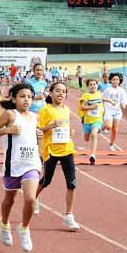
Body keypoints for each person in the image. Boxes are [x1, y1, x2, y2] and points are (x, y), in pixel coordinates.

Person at [0, 83, 42, 252]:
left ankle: (24, 228)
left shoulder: (34, 117)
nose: (27, 100)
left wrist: (40, 133)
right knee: (9, 200)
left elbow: (34, 136)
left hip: (31, 163)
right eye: (22, 96)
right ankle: (4, 225)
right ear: (13, 98)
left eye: (30, 97)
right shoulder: (10, 114)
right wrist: (8, 130)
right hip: (13, 164)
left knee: (31, 199)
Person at [34, 82, 80, 230]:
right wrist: (51, 126)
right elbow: (39, 129)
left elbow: (65, 127)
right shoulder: (45, 110)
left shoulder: (66, 109)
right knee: (46, 181)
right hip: (51, 150)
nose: (61, 94)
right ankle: (34, 198)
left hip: (67, 148)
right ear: (51, 93)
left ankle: (69, 215)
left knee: (72, 183)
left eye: (63, 91)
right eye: (58, 91)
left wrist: (71, 131)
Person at [78, 79, 104, 165]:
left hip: (97, 120)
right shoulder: (86, 96)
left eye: (94, 84)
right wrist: (91, 107)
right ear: (88, 87)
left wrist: (111, 101)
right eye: (90, 85)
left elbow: (103, 98)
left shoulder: (99, 94)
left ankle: (92, 155)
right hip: (87, 120)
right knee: (86, 138)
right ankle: (86, 133)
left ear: (97, 85)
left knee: (94, 134)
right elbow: (82, 107)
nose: (93, 86)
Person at [101, 73, 127, 151]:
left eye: (117, 79)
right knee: (108, 126)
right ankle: (101, 127)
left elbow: (124, 102)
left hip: (117, 111)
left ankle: (111, 144)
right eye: (113, 79)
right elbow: (102, 98)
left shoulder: (122, 90)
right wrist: (109, 101)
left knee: (115, 129)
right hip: (109, 110)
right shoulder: (108, 89)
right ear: (111, 80)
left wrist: (123, 105)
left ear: (119, 81)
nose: (115, 81)